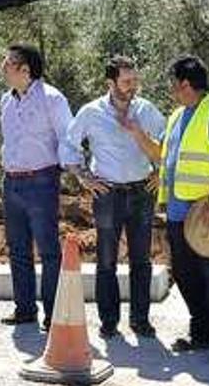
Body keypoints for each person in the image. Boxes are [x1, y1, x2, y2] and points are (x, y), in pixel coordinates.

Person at [63, 55, 165, 339]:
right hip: (107, 194)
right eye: (126, 81)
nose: (133, 86)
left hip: (143, 191)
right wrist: (83, 176)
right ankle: (108, 322)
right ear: (111, 83)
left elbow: (170, 140)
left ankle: (140, 320)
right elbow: (69, 144)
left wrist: (162, 171)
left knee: (141, 259)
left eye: (135, 80)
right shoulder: (91, 112)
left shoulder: (146, 109)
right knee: (106, 259)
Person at [157, 56, 209, 367]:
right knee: (184, 273)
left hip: (208, 213)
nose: (171, 91)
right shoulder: (178, 115)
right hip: (179, 213)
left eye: (173, 84)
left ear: (184, 83)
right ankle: (201, 333)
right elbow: (169, 157)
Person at [0, 44, 73, 331]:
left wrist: (74, 171)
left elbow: (68, 137)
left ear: (25, 69)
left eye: (8, 63)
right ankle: (24, 309)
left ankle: (52, 314)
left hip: (42, 180)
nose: (3, 68)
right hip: (12, 181)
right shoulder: (6, 100)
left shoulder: (52, 98)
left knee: (48, 250)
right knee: (17, 248)